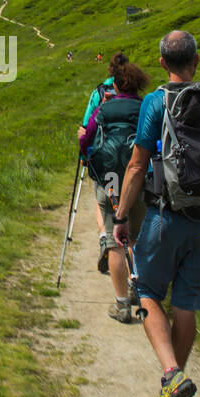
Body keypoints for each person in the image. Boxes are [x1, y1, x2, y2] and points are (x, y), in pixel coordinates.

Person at [114, 31, 200, 397]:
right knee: (187, 304)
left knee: (148, 292)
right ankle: (175, 383)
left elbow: (137, 166)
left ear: (161, 63)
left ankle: (171, 375)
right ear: (198, 60)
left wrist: (122, 217)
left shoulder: (156, 102)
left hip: (165, 216)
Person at [81, 61, 150, 322]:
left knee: (114, 241)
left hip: (110, 178)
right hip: (138, 178)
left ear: (117, 84)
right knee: (135, 238)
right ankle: (137, 290)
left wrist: (84, 153)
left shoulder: (104, 108)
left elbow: (86, 137)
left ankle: (122, 305)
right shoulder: (146, 107)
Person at [78, 54, 125, 271]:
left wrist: (83, 156)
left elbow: (87, 125)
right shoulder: (133, 92)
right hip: (128, 162)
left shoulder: (98, 93)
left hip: (102, 159)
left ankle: (106, 237)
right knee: (125, 203)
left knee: (102, 200)